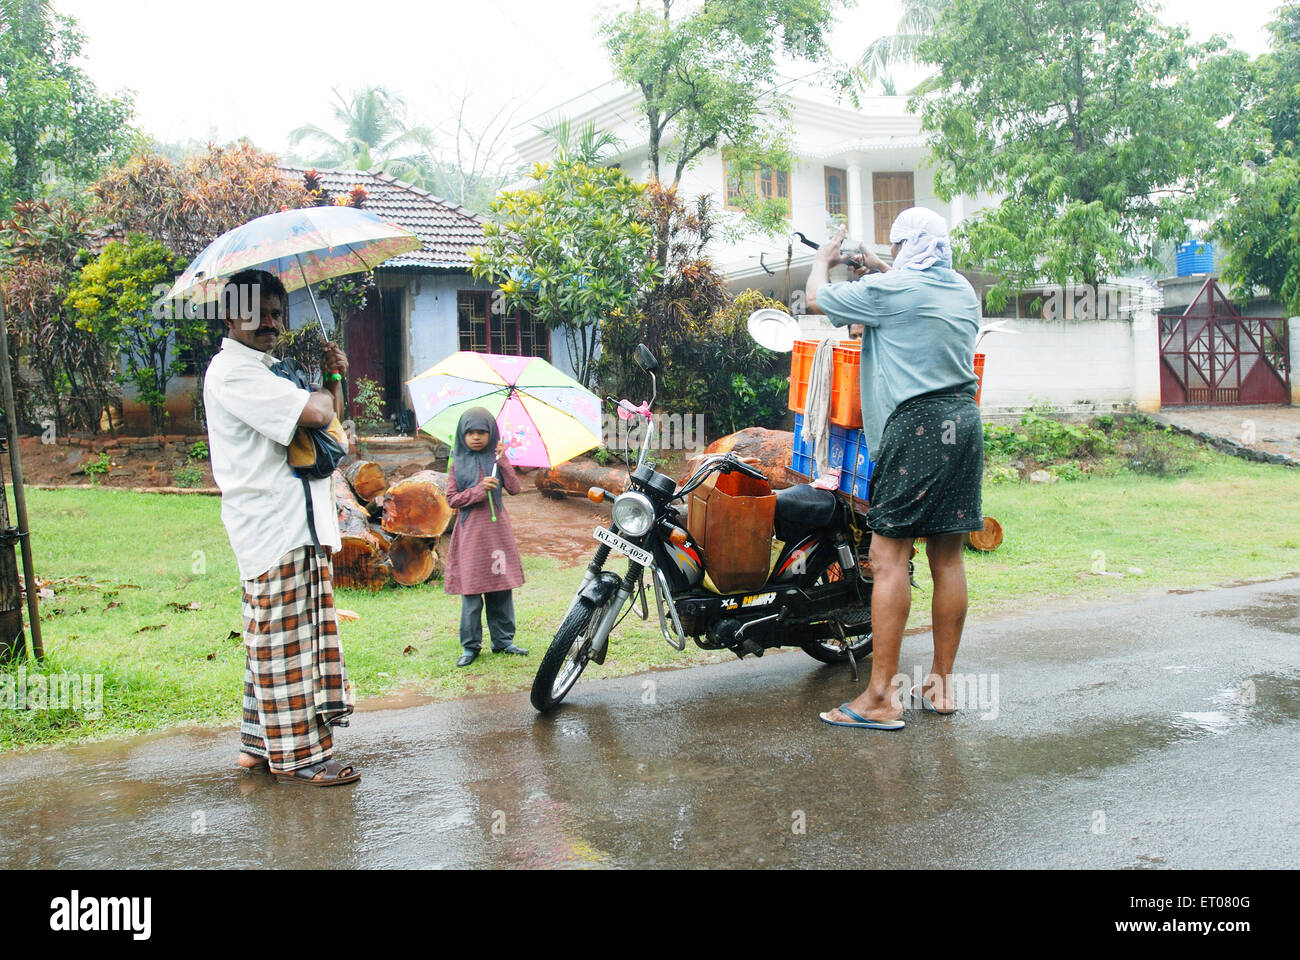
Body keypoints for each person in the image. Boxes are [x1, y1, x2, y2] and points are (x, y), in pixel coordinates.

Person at [805, 208, 983, 730]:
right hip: (963, 423)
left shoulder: (891, 294)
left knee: (887, 558)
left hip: (917, 427)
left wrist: (825, 259)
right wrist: (882, 265)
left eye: (897, 248)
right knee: (947, 558)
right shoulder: (962, 292)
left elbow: (818, 299)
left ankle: (880, 697)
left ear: (907, 247)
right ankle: (942, 685)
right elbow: (912, 284)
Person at [203, 269, 359, 785]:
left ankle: (256, 744)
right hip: (274, 527)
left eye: (276, 314)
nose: (270, 323)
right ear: (231, 316)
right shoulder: (234, 373)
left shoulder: (267, 370)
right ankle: (299, 759)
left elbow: (331, 419)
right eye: (258, 314)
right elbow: (317, 414)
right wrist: (326, 388)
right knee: (285, 645)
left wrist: (333, 377)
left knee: (273, 639)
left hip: (295, 525)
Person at [443, 407, 529, 667]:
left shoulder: (497, 459)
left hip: (497, 535)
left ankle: (503, 642)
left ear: (491, 434)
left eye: (482, 432)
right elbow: (452, 499)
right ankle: (470, 647)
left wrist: (503, 461)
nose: (476, 437)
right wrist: (479, 490)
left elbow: (515, 488)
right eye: (470, 432)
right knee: (471, 592)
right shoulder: (456, 462)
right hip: (471, 536)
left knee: (501, 589)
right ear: (462, 435)